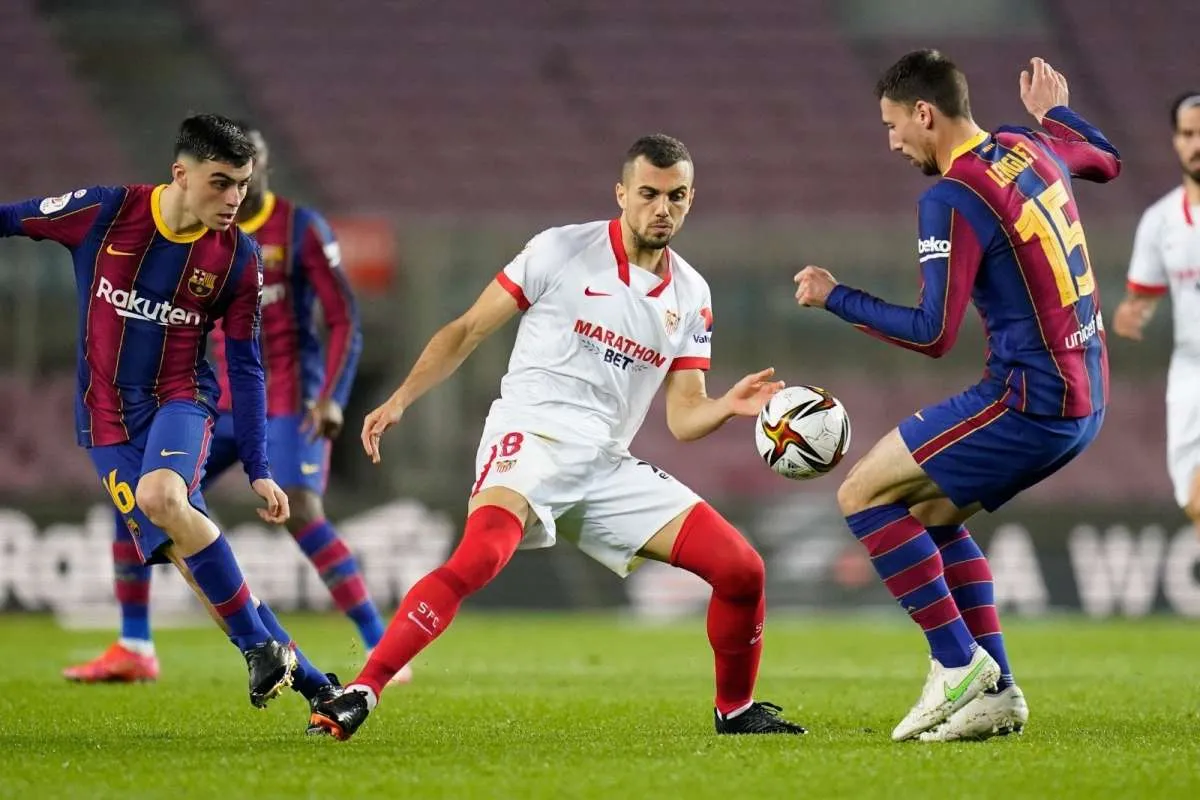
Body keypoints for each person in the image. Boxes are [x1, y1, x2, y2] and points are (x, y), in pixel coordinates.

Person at [309, 134, 807, 740]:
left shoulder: (692, 295)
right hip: (532, 435)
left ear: (690, 199)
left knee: (742, 569)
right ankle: (363, 688)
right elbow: (466, 330)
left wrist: (728, 407)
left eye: (675, 196)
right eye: (648, 193)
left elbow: (682, 418)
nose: (661, 209)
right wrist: (399, 399)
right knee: (480, 555)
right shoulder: (561, 249)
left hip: (605, 463)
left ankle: (735, 710)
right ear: (622, 193)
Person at [794, 52, 1120, 741]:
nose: (892, 142)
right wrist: (1052, 114)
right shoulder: (1025, 145)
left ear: (925, 114)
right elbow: (1104, 159)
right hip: (1085, 396)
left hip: (1031, 398)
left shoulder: (953, 196)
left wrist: (833, 296)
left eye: (892, 125)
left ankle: (956, 664)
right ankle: (996, 689)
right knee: (933, 514)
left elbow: (933, 332)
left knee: (860, 495)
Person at [0, 114, 338, 714]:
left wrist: (258, 466)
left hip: (181, 400)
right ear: (180, 173)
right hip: (104, 422)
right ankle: (316, 685)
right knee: (192, 564)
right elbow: (9, 218)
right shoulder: (104, 213)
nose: (235, 198)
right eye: (220, 182)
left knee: (161, 498)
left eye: (242, 183)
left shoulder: (239, 258)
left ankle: (264, 654)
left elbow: (246, 366)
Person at [62, 123, 404, 684]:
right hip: (213, 399)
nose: (242, 187)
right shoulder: (182, 229)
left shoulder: (297, 229)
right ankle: (135, 643)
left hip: (290, 396)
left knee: (298, 506)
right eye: (226, 176)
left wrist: (333, 396)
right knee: (143, 504)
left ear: (263, 166)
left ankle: (379, 643)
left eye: (252, 170)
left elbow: (344, 318)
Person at [1112, 92, 1200, 531]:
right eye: (1188, 134)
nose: (1196, 144)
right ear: (1176, 141)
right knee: (1194, 498)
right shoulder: (1160, 220)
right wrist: (1132, 316)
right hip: (1191, 371)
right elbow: (1143, 298)